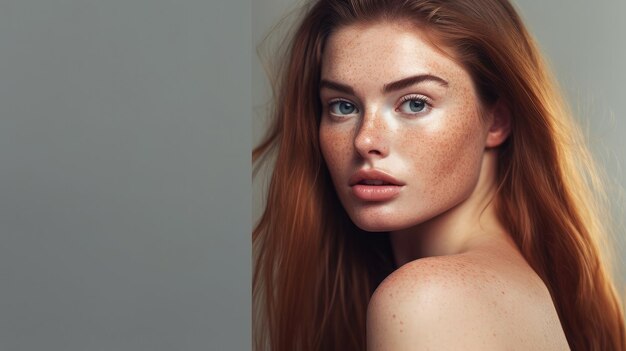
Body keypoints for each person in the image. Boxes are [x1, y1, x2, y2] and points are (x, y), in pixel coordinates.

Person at [252, 0, 626, 350]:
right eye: (343, 106)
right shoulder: (516, 287)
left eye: (415, 103)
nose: (365, 140)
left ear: (496, 120)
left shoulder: (429, 298)